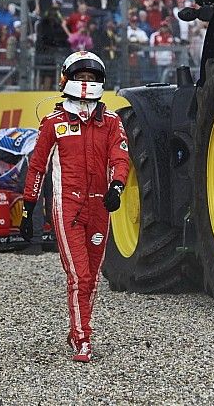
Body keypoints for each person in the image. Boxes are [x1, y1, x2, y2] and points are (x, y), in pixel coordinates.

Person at [20, 51, 129, 363]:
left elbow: (120, 157)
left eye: (91, 78)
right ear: (67, 79)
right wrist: (28, 207)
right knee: (79, 276)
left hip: (100, 207)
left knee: (92, 277)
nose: (86, 83)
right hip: (67, 206)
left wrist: (117, 186)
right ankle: (83, 339)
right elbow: (37, 167)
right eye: (81, 77)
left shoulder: (111, 121)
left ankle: (76, 329)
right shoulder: (53, 122)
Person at [0, 127, 46, 255]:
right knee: (51, 196)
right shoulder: (6, 133)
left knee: (32, 197)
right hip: (48, 147)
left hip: (35, 152)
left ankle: (35, 244)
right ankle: (55, 240)